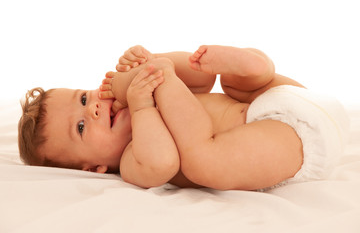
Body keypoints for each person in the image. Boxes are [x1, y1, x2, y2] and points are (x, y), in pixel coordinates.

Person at [18, 45, 349, 191]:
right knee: (202, 162)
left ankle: (254, 69)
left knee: (221, 77)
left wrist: (154, 62)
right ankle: (256, 72)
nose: (92, 109)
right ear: (93, 169)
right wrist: (144, 103)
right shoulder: (133, 160)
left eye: (84, 98)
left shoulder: (135, 93)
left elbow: (201, 80)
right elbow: (163, 161)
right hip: (291, 143)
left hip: (275, 100)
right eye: (80, 127)